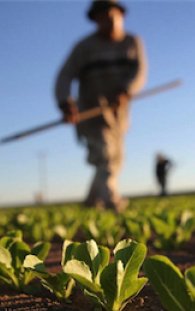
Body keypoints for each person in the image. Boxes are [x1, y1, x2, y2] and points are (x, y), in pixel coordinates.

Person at [55, 0, 147, 212]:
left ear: (121, 15)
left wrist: (126, 90)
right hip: (91, 113)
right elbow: (65, 75)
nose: (109, 20)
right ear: (95, 20)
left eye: (112, 15)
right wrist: (64, 101)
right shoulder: (84, 47)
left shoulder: (133, 43)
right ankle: (111, 202)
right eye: (103, 16)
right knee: (104, 156)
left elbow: (139, 72)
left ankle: (90, 202)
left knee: (115, 159)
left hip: (119, 115)